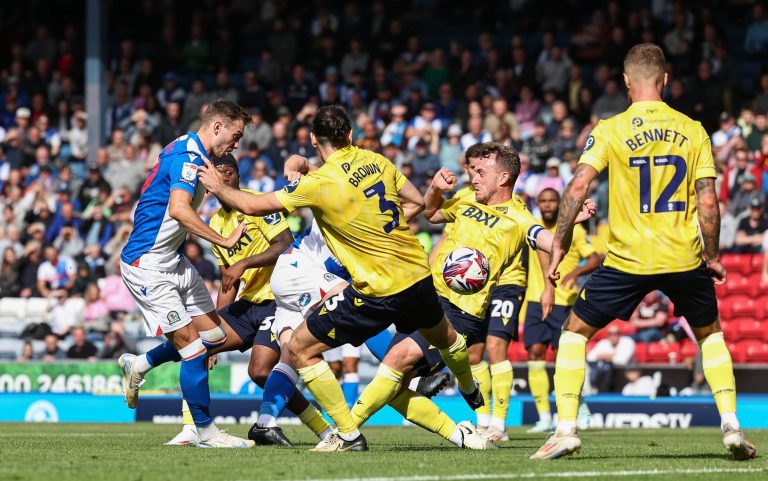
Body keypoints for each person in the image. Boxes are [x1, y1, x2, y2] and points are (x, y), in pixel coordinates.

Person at [198, 105, 482, 452]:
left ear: (316, 139)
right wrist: (292, 165)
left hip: (352, 280)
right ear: (350, 135)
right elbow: (420, 204)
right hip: (352, 272)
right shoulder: (375, 163)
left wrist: (219, 186)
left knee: (298, 352)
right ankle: (461, 385)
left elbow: (256, 205)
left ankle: (324, 430)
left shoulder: (322, 183)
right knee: (421, 346)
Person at [531, 43, 756, 461]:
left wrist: (559, 241)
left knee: (574, 334)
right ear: (666, 80)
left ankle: (565, 431)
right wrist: (713, 256)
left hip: (627, 260)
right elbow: (708, 201)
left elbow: (578, 187)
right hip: (683, 257)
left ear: (626, 82)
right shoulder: (693, 129)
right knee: (710, 336)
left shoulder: (610, 128)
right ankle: (730, 426)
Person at [350, 143, 594, 447]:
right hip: (427, 295)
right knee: (394, 383)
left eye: (481, 172)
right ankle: (462, 428)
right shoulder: (465, 198)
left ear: (503, 178)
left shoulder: (518, 218)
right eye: (472, 171)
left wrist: (569, 222)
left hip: (461, 311)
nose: (473, 177)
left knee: (397, 361)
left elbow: (553, 244)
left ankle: (344, 432)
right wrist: (436, 190)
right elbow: (431, 214)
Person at [133, 155, 331, 447]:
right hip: (248, 303)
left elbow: (285, 243)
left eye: (228, 173)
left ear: (237, 176)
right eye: (218, 175)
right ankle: (191, 427)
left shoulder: (259, 203)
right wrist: (214, 329)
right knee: (199, 344)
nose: (224, 179)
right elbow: (228, 281)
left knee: (261, 371)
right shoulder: (215, 222)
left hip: (280, 301)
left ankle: (324, 430)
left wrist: (244, 264)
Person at [117, 100, 255, 449]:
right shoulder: (188, 157)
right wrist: (221, 238)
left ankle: (140, 364)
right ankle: (206, 433)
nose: (236, 144)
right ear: (218, 127)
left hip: (172, 260)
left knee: (215, 338)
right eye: (235, 135)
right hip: (147, 264)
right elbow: (178, 209)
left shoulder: (185, 146)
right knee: (193, 349)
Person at [524, 188, 600, 433]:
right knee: (535, 353)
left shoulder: (574, 229)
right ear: (538, 203)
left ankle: (580, 407)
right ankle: (544, 416)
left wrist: (575, 272)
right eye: (543, 200)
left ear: (559, 203)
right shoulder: (532, 227)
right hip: (534, 299)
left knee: (562, 357)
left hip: (563, 300)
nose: (547, 205)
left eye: (551, 200)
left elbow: (595, 257)